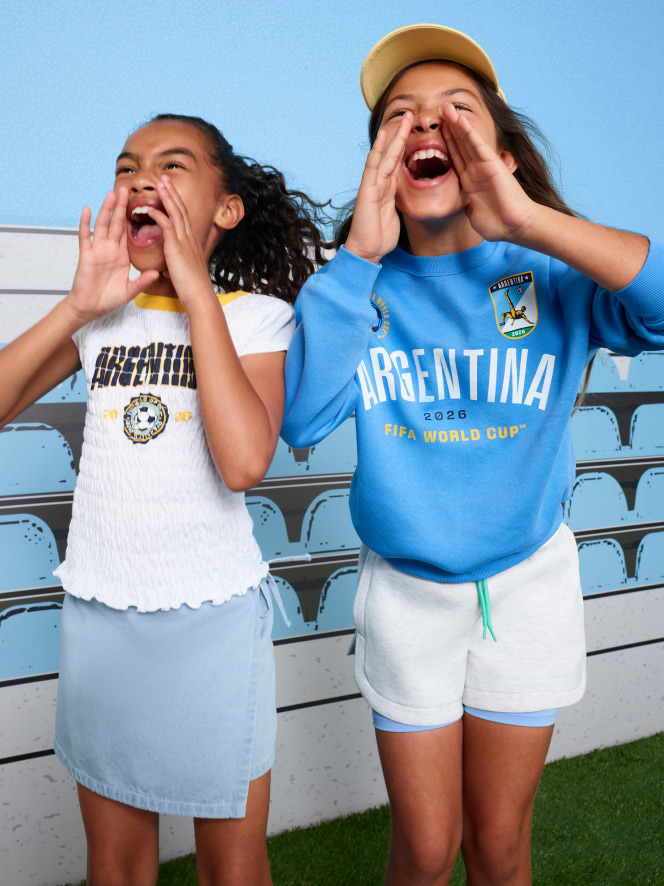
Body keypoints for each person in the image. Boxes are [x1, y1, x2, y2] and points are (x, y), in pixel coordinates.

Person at [282, 24, 664, 885]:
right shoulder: (352, 287)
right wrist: (357, 257)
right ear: (381, 159)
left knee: (497, 845)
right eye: (401, 118)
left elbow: (661, 307)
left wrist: (529, 219)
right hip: (407, 595)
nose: (428, 126)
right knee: (424, 849)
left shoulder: (549, 273)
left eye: (457, 112)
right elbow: (303, 421)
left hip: (527, 589)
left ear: (499, 150)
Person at [0, 113, 328, 886]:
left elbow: (245, 460)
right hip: (100, 615)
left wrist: (194, 294)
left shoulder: (255, 317)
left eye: (173, 166)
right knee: (114, 867)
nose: (142, 178)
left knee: (233, 868)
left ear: (226, 209)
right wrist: (77, 307)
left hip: (210, 623)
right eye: (126, 167)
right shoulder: (99, 315)